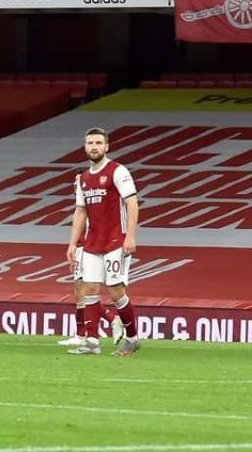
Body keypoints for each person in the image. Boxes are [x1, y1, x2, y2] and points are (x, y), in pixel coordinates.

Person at [65, 127, 142, 356]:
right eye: (91, 143)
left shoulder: (118, 171)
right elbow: (80, 211)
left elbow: (132, 203)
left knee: (116, 291)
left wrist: (131, 235)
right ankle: (91, 342)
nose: (94, 147)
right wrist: (72, 243)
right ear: (85, 147)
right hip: (93, 242)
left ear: (107, 146)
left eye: (99, 143)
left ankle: (132, 338)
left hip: (116, 241)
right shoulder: (83, 179)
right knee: (89, 288)